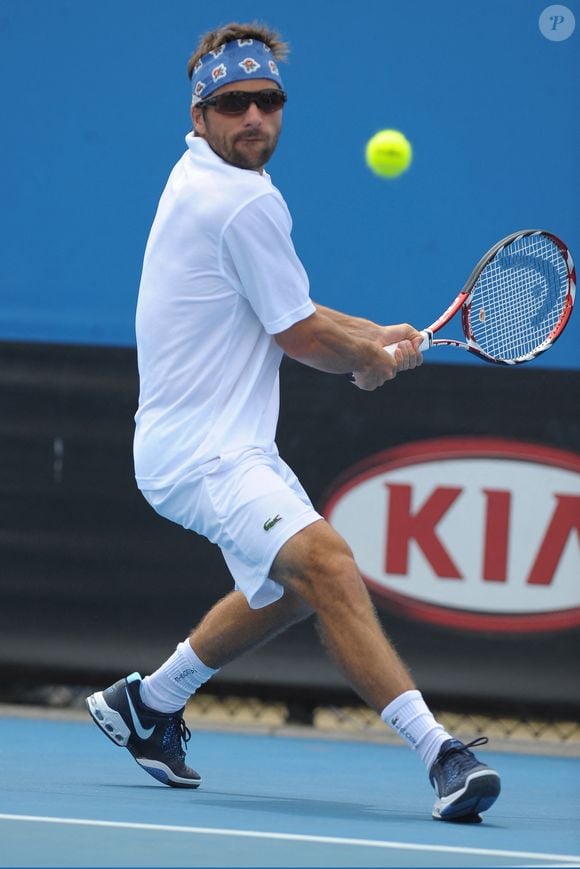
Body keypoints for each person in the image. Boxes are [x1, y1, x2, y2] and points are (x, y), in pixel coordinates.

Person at [87, 22, 501, 822]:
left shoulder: (204, 176)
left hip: (220, 444)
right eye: (234, 103)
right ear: (201, 113)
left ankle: (148, 704)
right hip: (199, 452)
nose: (254, 118)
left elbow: (294, 308)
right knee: (330, 564)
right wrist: (361, 358)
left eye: (268, 101)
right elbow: (303, 335)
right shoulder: (239, 201)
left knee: (291, 587)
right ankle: (441, 751)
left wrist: (375, 335)